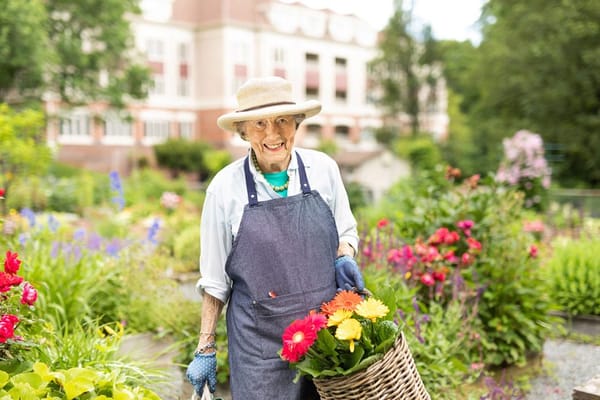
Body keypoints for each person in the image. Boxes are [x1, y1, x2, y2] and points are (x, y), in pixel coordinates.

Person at [186, 76, 365, 399]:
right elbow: (214, 281)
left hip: (324, 337)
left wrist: (344, 256)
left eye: (283, 120)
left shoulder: (324, 169)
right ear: (243, 132)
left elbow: (346, 231)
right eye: (259, 124)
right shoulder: (225, 189)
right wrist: (206, 347)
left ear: (297, 124)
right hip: (260, 347)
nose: (273, 133)